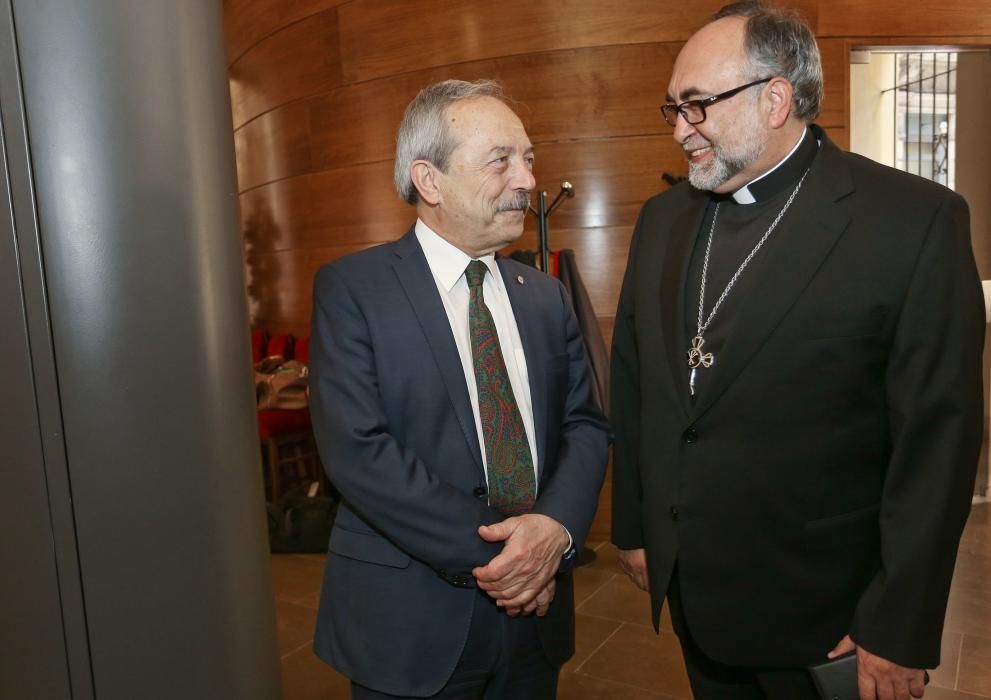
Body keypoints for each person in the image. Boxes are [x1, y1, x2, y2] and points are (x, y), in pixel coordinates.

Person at [610, 3, 985, 699]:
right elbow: (637, 385)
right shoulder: (662, 219)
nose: (680, 130)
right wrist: (634, 528)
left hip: (828, 616)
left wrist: (897, 623)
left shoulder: (912, 221)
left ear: (775, 98)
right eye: (673, 109)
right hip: (695, 598)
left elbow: (937, 443)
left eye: (697, 106)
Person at [309, 79, 609, 699]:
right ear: (430, 180)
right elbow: (359, 452)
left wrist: (554, 529)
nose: (526, 179)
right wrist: (514, 558)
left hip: (536, 621)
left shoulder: (546, 297)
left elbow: (585, 424)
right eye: (501, 160)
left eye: (528, 157)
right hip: (410, 621)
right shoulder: (354, 291)